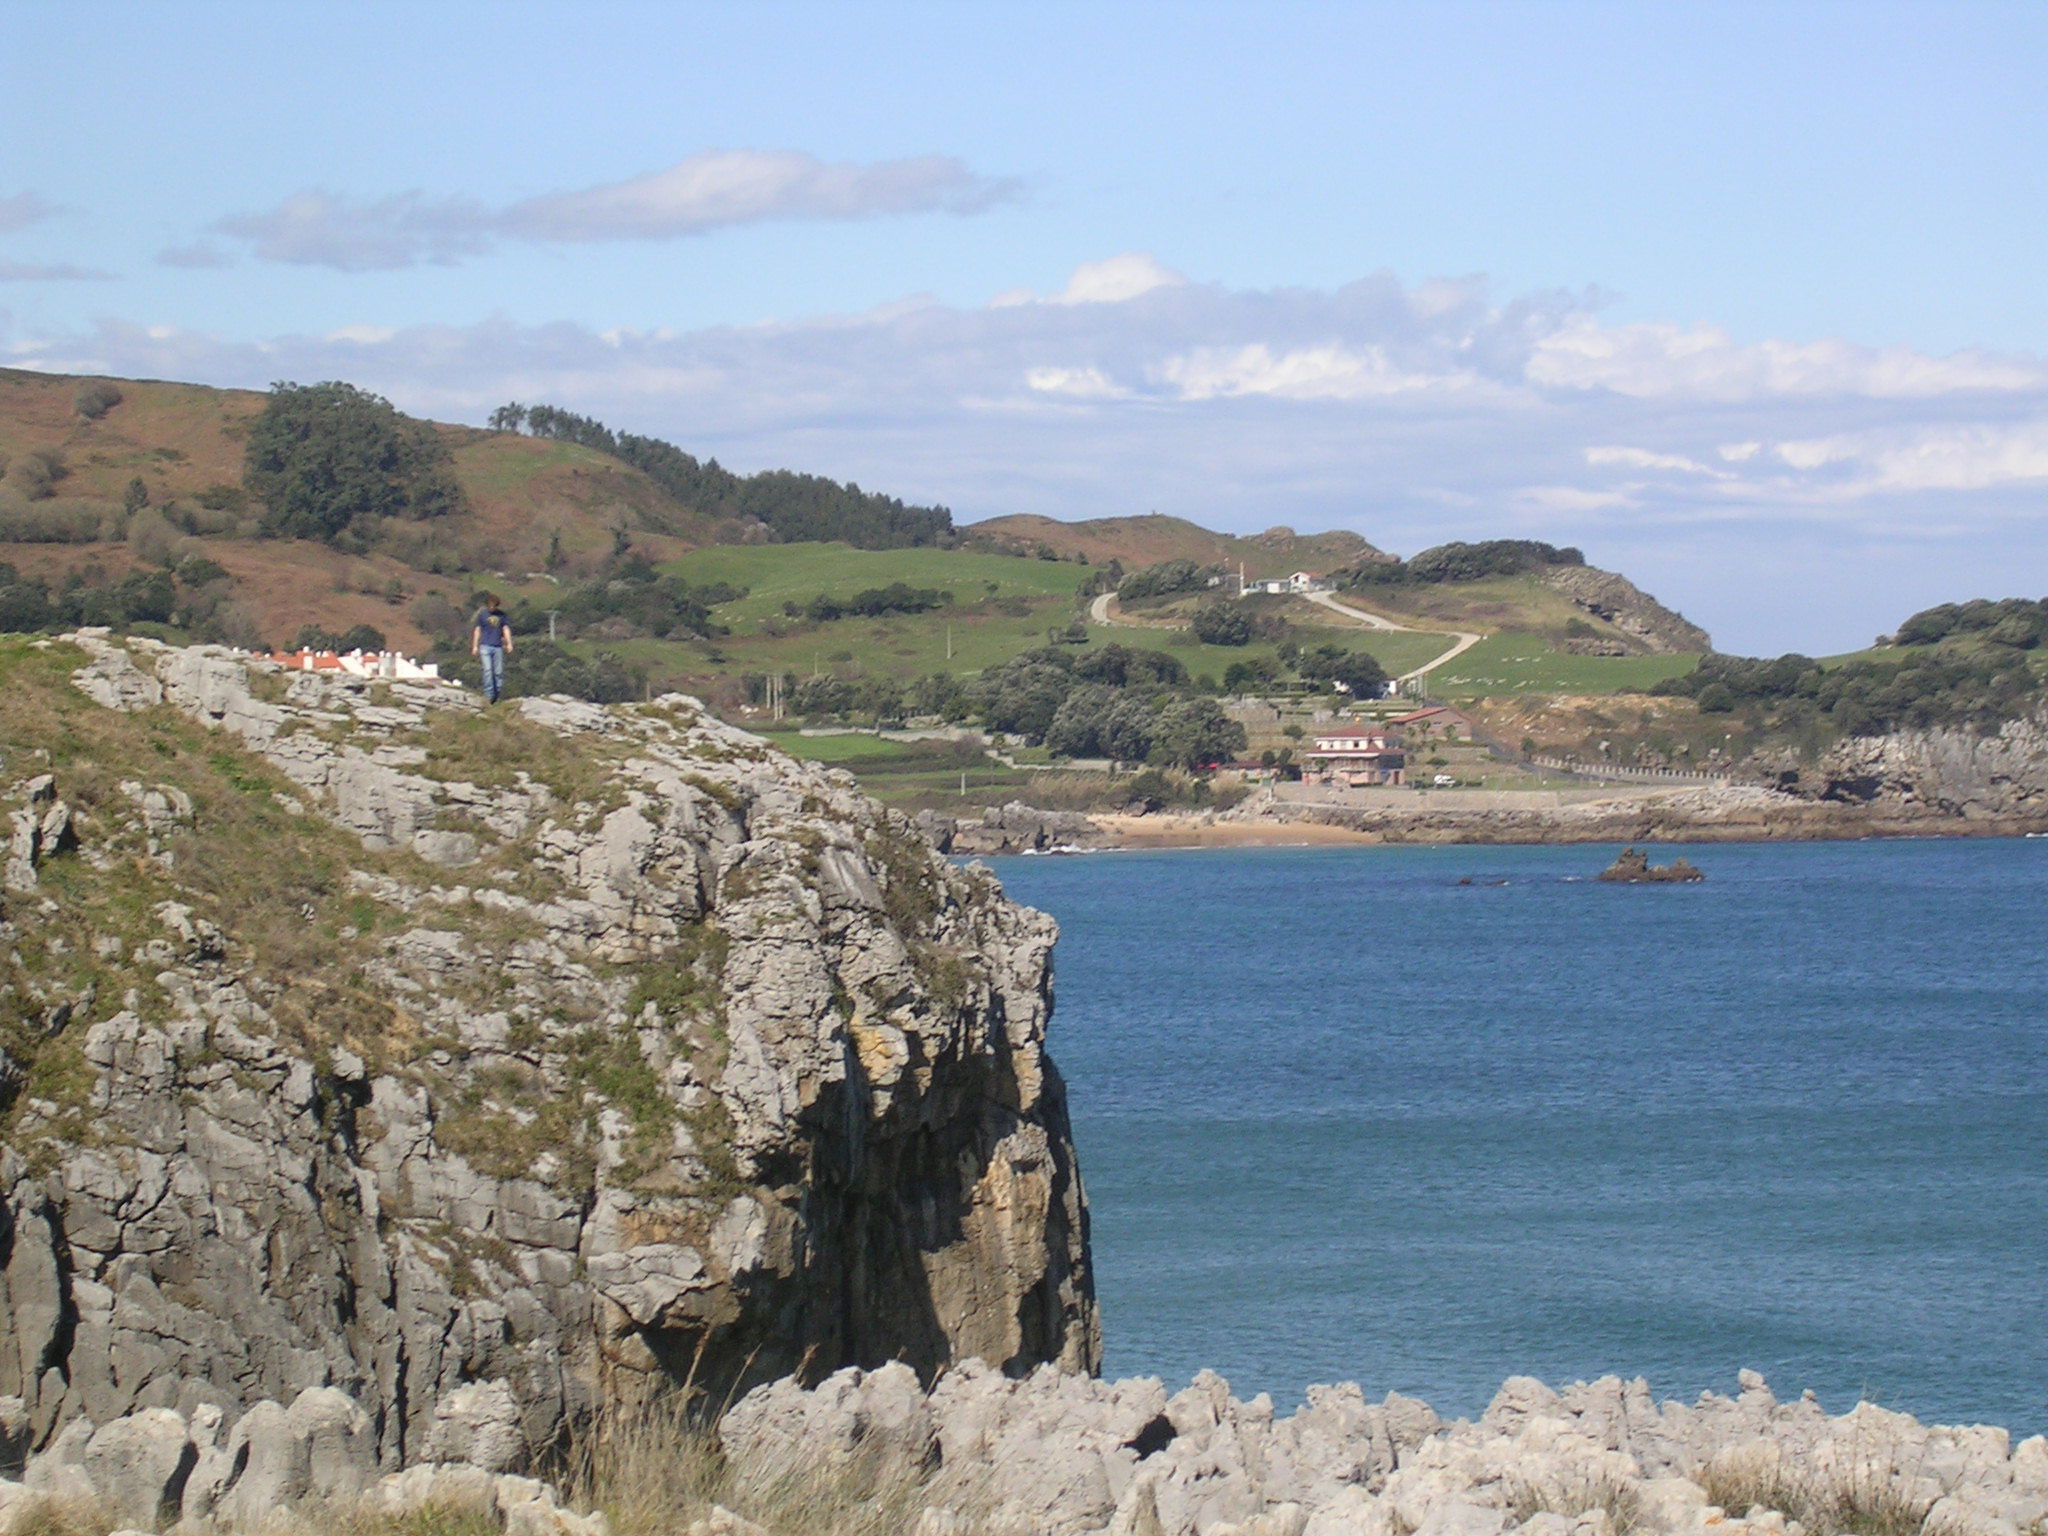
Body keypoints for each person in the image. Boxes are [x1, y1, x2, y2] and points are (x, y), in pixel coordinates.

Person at [471, 594, 514, 702]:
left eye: (494, 606)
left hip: (497, 647)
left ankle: (496, 695)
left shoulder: (501, 615)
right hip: (485, 646)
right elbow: (477, 630)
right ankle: (488, 696)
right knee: (488, 670)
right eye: (490, 605)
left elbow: (505, 629)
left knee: (498, 673)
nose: (492, 607)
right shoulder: (482, 615)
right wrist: (475, 646)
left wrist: (509, 643)